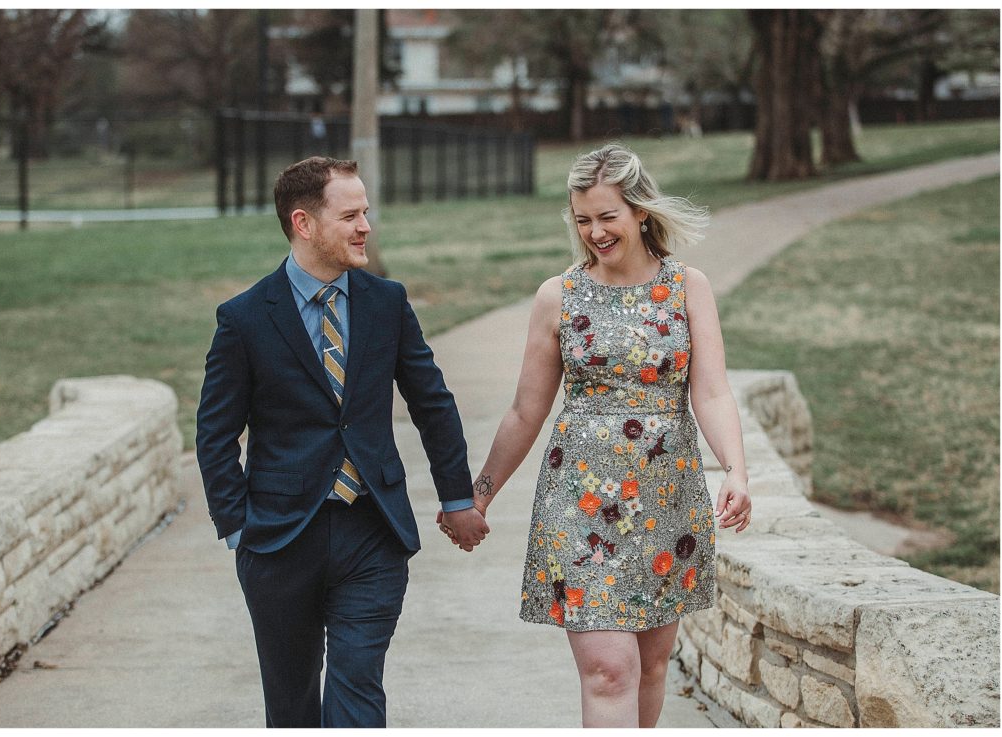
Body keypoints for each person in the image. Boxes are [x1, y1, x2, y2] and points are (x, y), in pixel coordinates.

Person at [439, 143, 752, 727]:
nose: (595, 233)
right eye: (583, 220)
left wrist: (734, 468)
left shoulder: (689, 287)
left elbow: (710, 391)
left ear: (640, 211)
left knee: (653, 668)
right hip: (580, 503)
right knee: (609, 670)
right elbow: (524, 412)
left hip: (668, 500)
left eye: (607, 217)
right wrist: (478, 494)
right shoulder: (558, 296)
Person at [196, 156, 489, 728]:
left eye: (366, 213)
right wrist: (238, 526)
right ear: (303, 223)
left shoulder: (387, 302)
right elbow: (215, 433)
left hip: (373, 531)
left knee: (357, 689)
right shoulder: (245, 318)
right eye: (350, 215)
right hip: (279, 539)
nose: (365, 227)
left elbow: (432, 403)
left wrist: (457, 498)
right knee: (292, 705)